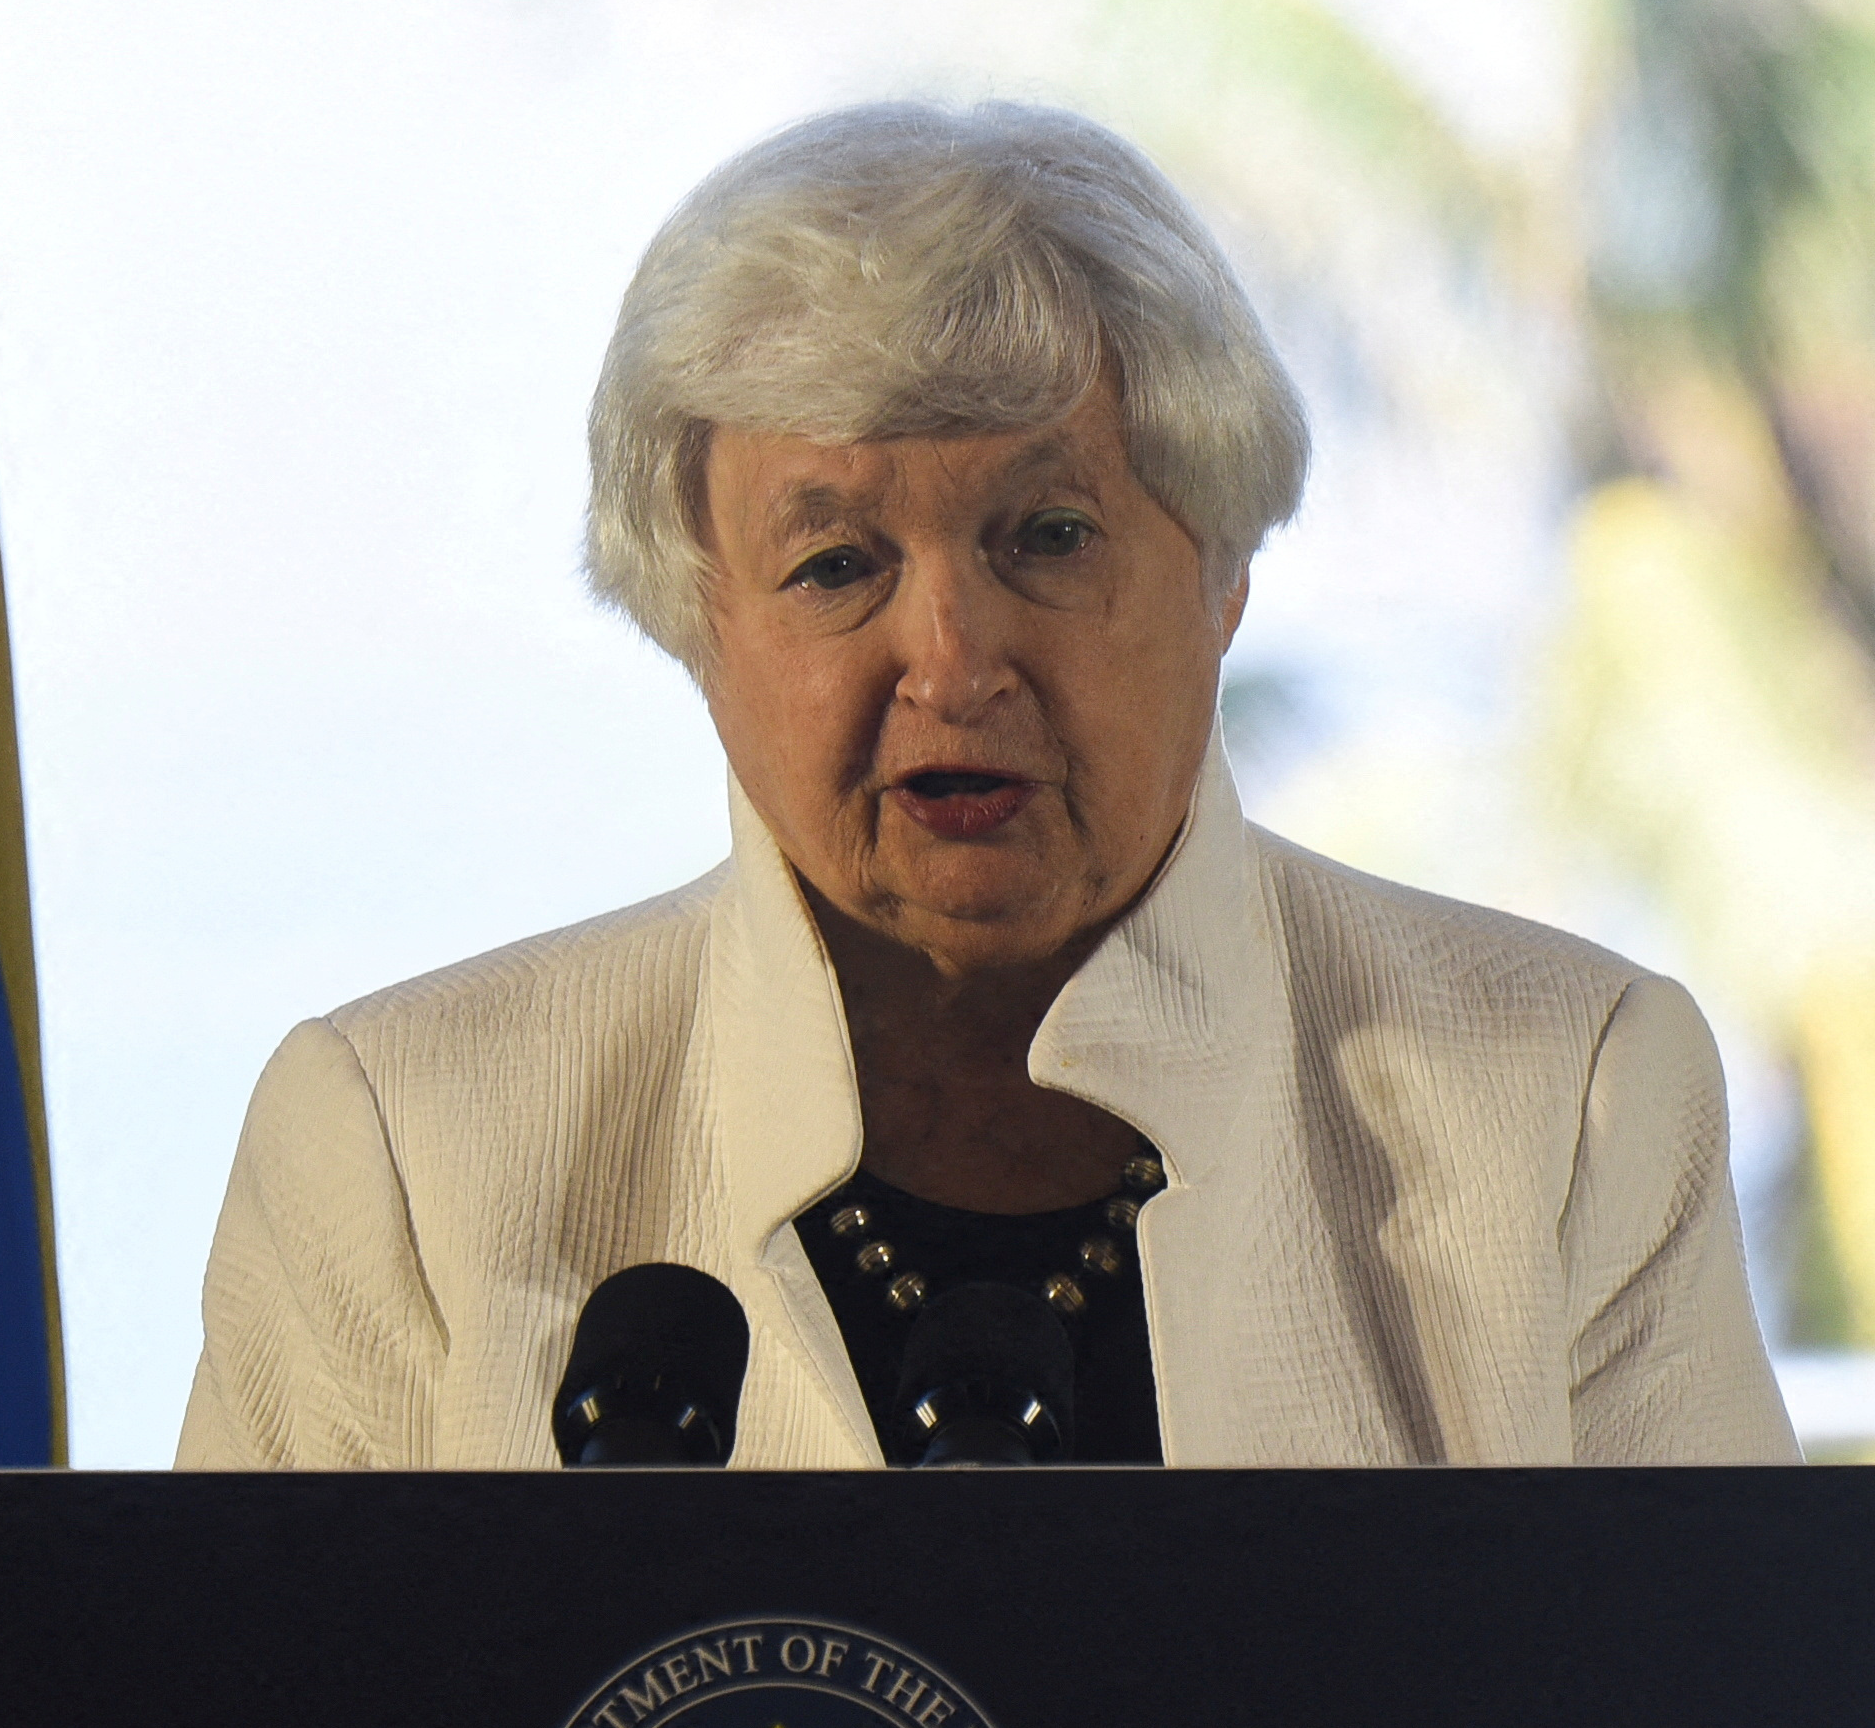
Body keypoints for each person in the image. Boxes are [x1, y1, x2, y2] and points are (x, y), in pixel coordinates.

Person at [179, 101, 1794, 1469]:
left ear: (1222, 568)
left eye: (1048, 536)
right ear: (695, 620)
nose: (950, 663)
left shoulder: (1559, 1096)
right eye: (832, 564)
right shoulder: (404, 1142)